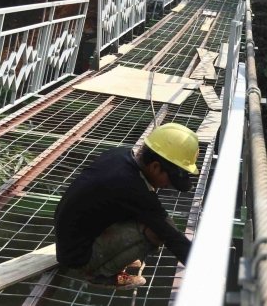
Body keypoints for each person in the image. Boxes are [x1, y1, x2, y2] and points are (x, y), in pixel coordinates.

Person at [54, 123, 200, 290]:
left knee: (147, 219)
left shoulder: (120, 154)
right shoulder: (134, 189)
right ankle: (99, 275)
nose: (168, 185)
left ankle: (112, 257)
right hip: (78, 257)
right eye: (170, 180)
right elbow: (171, 236)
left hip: (70, 240)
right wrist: (204, 270)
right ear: (155, 167)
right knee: (155, 232)